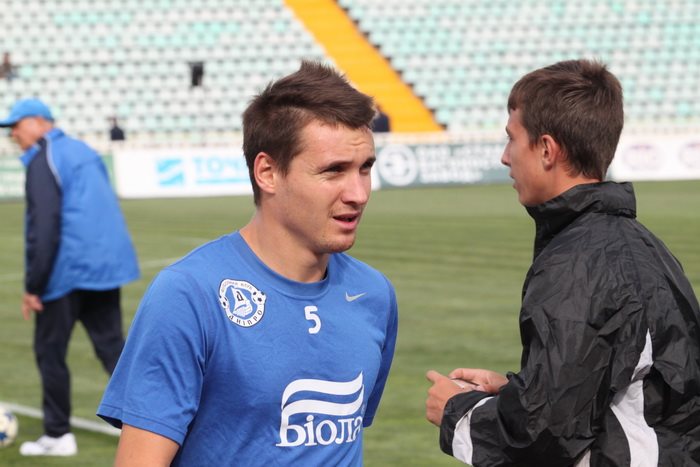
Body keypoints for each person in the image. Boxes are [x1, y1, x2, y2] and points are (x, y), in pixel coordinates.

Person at [97, 60, 398, 466]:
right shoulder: (189, 294)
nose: (358, 193)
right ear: (268, 172)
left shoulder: (374, 294)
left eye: (365, 169)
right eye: (334, 171)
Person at [425, 59, 700, 465]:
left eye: (511, 139)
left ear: (546, 149)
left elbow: (545, 436)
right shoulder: (644, 245)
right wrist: (516, 392)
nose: (504, 157)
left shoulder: (578, 263)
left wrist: (457, 412)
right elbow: (612, 390)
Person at [0, 98, 140, 456]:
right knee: (113, 350)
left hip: (66, 271)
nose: (13, 134)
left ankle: (58, 434)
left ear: (38, 122)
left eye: (16, 126)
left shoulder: (43, 158)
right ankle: (152, 427)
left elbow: (44, 225)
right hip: (104, 269)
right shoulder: (84, 151)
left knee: (49, 351)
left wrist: (34, 286)